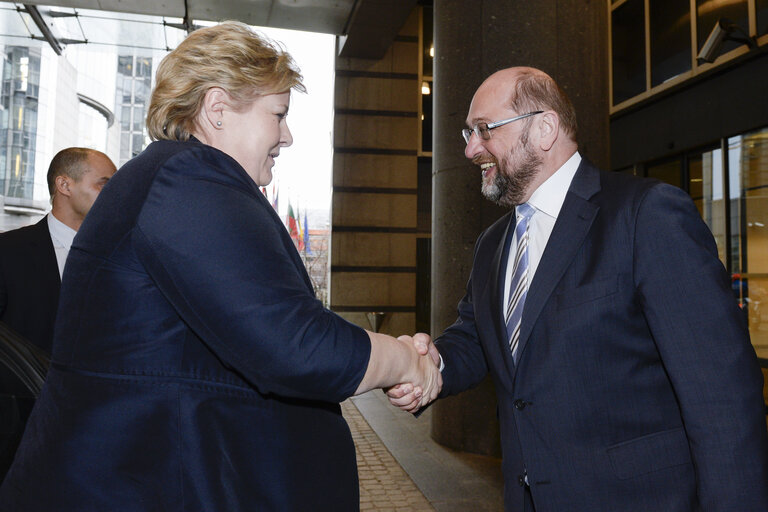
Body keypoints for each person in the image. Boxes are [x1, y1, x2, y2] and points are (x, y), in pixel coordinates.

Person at [0, 22, 440, 511]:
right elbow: (294, 344)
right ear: (217, 109)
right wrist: (403, 359)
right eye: (278, 114)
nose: (287, 135)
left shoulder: (171, 179)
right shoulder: (186, 181)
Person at [388, 67, 768, 511]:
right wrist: (436, 361)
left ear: (544, 128)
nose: (471, 149)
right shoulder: (493, 243)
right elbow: (477, 335)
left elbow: (721, 398)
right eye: (467, 133)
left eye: (484, 129)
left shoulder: (646, 216)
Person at [0, 147, 116, 481]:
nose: (114, 195)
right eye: (104, 185)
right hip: (18, 437)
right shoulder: (9, 253)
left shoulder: (121, 258)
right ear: (64, 185)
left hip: (97, 436)